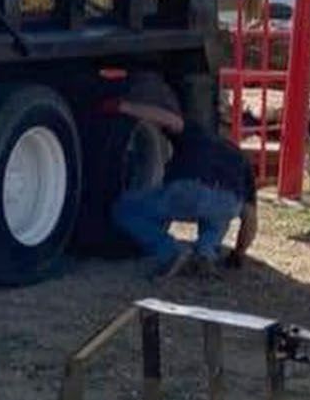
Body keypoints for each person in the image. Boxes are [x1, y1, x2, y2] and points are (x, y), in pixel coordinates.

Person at [110, 85, 257, 279]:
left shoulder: (196, 132)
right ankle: (205, 254)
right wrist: (238, 255)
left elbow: (168, 119)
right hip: (228, 201)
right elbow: (250, 218)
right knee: (218, 216)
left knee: (124, 209)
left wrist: (123, 107)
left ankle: (170, 251)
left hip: (191, 189)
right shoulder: (240, 157)